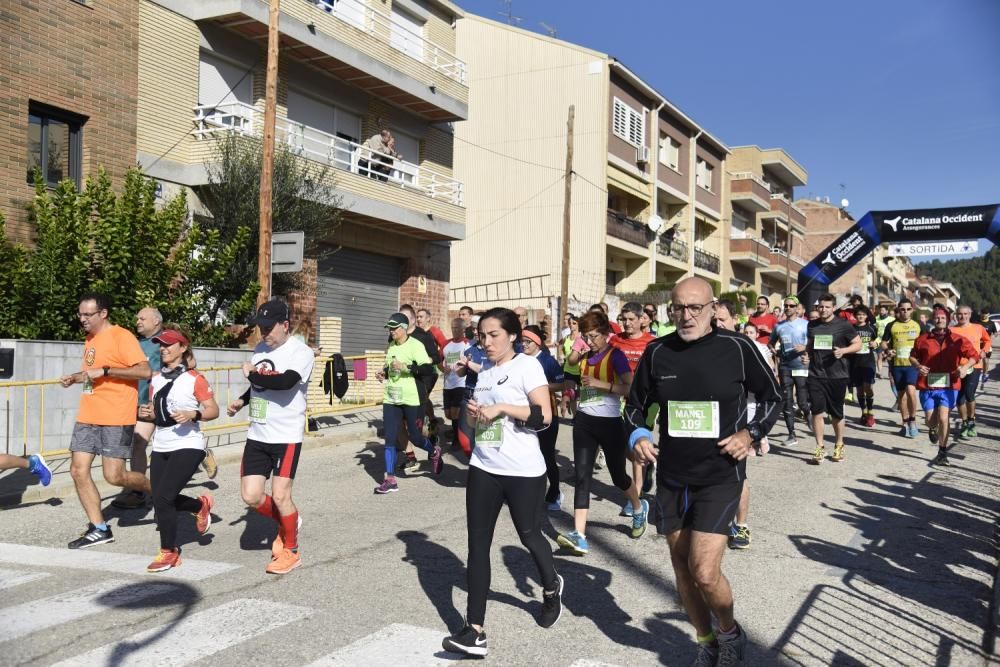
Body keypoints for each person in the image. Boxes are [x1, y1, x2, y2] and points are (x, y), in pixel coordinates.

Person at [626, 277, 781, 665]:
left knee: (705, 571)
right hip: (674, 476)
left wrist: (751, 432)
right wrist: (639, 434)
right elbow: (633, 407)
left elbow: (773, 397)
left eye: (696, 307)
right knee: (681, 568)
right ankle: (706, 641)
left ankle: (730, 633)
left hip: (720, 475)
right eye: (678, 307)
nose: (686, 315)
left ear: (713, 310)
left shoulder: (737, 347)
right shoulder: (658, 351)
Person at [442, 308, 563, 657]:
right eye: (482, 335)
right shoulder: (485, 374)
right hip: (484, 466)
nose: (487, 341)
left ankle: (551, 586)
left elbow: (544, 415)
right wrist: (473, 414)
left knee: (528, 534)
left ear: (513, 335)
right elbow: (475, 420)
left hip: (524, 470)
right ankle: (474, 630)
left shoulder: (528, 366)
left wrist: (504, 409)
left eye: (493, 334)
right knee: (477, 545)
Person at [227, 299, 315, 574]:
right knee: (251, 496)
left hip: (286, 435)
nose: (263, 332)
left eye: (268, 327)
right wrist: (243, 400)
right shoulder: (261, 349)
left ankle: (291, 550)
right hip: (258, 434)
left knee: (280, 495)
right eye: (260, 327)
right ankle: (290, 519)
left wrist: (253, 375)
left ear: (285, 325)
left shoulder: (301, 352)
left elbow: (285, 381)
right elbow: (260, 386)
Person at [61, 293, 152, 549]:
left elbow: (144, 371)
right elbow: (95, 374)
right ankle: (99, 528)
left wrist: (106, 370)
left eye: (87, 315)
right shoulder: (90, 339)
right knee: (78, 470)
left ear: (103, 314)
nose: (82, 319)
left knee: (115, 476)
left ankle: (160, 492)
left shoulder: (121, 336)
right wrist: (78, 377)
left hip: (115, 415)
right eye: (80, 314)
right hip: (88, 414)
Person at [556, 310, 646, 556]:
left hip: (609, 423)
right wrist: (570, 392)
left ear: (607, 334)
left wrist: (601, 385)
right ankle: (580, 535)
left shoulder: (615, 356)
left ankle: (638, 508)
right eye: (587, 336)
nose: (591, 340)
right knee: (582, 476)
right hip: (584, 421)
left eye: (594, 336)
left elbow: (630, 388)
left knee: (618, 477)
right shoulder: (585, 354)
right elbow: (571, 365)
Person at [139, 328, 218, 572]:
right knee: (160, 497)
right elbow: (157, 412)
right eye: (161, 345)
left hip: (188, 445)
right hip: (162, 444)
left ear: (183, 348)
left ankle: (169, 552)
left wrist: (194, 414)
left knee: (164, 498)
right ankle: (199, 506)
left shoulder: (195, 379)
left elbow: (213, 410)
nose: (163, 349)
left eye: (169, 345)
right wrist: (148, 413)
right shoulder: (157, 379)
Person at [374, 312, 443, 491]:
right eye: (389, 328)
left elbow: (428, 368)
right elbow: (391, 368)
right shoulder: (391, 346)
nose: (391, 331)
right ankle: (390, 480)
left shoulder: (416, 345)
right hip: (392, 398)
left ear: (404, 328)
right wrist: (384, 373)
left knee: (416, 437)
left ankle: (433, 450)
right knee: (389, 438)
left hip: (412, 398)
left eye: (394, 328)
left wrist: (407, 367)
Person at [910, 306, 979, 466]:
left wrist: (964, 367)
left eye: (942, 318)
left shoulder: (957, 339)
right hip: (927, 385)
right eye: (937, 317)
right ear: (932, 320)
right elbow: (912, 357)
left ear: (948, 320)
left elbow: (974, 356)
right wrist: (918, 366)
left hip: (949, 385)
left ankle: (942, 452)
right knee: (930, 420)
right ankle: (932, 428)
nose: (940, 320)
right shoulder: (922, 339)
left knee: (943, 418)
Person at [111, 307, 164, 510]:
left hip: (154, 404)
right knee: (137, 445)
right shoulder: (134, 343)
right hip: (133, 404)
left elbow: (182, 367)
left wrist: (155, 400)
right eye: (137, 318)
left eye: (143, 318)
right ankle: (137, 490)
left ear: (156, 322)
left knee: (140, 445)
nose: (138, 321)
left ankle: (138, 491)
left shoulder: (165, 343)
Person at [610, 301, 656, 516]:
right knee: (621, 446)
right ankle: (648, 466)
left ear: (641, 320)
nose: (627, 324)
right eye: (624, 320)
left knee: (637, 444)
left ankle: (636, 496)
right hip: (619, 398)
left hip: (644, 402)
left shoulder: (652, 343)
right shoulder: (615, 341)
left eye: (631, 320)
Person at [806, 294, 862, 464]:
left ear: (833, 307)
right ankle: (819, 446)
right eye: (821, 307)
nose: (823, 310)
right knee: (816, 411)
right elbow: (810, 346)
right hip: (816, 374)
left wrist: (843, 351)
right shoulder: (812, 325)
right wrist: (807, 357)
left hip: (837, 375)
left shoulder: (843, 325)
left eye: (827, 307)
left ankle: (839, 443)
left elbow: (858, 344)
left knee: (836, 413)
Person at [521, 325, 565, 511]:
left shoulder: (547, 361)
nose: (523, 345)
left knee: (546, 455)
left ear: (537, 343)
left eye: (528, 342)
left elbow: (563, 384)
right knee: (526, 455)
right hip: (523, 413)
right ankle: (529, 494)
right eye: (522, 341)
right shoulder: (519, 359)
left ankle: (555, 491)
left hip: (548, 414)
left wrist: (540, 387)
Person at [401, 304, 443, 458]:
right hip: (405, 379)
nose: (419, 319)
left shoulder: (426, 335)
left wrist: (423, 362)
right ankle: (411, 451)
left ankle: (430, 431)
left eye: (420, 317)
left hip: (426, 376)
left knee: (420, 405)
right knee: (406, 415)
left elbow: (439, 355)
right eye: (417, 317)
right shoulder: (398, 334)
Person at [771, 295, 811, 445]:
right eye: (786, 306)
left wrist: (806, 349)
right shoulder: (779, 326)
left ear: (797, 308)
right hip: (785, 367)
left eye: (791, 306)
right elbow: (771, 343)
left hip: (801, 365)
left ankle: (808, 415)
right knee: (786, 401)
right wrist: (775, 351)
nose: (788, 308)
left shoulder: (806, 325)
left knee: (802, 402)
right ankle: (791, 434)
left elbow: (813, 345)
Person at [880, 299, 922, 438]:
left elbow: (925, 343)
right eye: (902, 309)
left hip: (912, 365)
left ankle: (913, 421)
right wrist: (888, 350)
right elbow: (884, 342)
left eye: (908, 309)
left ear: (912, 310)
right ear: (898, 310)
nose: (905, 312)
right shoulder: (892, 325)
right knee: (901, 396)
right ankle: (905, 423)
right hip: (897, 365)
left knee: (911, 391)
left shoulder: (918, 325)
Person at [951, 305, 991, 438]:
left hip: (974, 365)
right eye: (960, 314)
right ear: (956, 315)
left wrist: (984, 351)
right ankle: (964, 422)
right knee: (959, 399)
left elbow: (987, 340)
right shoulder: (951, 330)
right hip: (957, 368)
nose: (962, 316)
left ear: (970, 314)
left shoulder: (978, 328)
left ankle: (972, 421)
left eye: (965, 314)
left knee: (969, 394)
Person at [441, 318, 471, 452]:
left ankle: (457, 439)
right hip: (448, 383)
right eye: (453, 328)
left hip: (461, 382)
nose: (454, 330)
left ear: (463, 329)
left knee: (456, 412)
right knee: (448, 414)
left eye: (457, 328)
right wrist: (443, 369)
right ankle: (458, 434)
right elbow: (438, 360)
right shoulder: (446, 344)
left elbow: (470, 360)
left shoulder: (467, 344)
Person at [850, 305, 880, 428]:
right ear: (855, 316)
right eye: (858, 315)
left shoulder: (871, 328)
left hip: (868, 361)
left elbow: (878, 340)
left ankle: (871, 412)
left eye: (863, 314)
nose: (861, 316)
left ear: (866, 316)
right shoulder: (851, 328)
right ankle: (863, 412)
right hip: (855, 362)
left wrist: (875, 344)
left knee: (868, 387)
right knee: (860, 390)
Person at [558, 313, 581, 418]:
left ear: (578, 324)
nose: (571, 325)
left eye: (574, 323)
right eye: (569, 323)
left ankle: (582, 416)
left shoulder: (583, 337)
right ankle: (575, 417)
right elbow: (562, 348)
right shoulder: (566, 337)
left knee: (581, 395)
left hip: (581, 370)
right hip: (568, 369)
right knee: (570, 394)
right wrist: (563, 357)